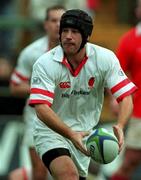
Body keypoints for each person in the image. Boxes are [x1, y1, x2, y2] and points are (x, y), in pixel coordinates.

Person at [29, 9, 137, 180]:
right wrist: (71, 134)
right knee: (68, 175)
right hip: (51, 133)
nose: (68, 36)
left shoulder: (104, 58)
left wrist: (121, 125)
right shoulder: (44, 63)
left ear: (86, 36)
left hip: (86, 135)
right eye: (64, 31)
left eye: (74, 32)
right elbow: (41, 108)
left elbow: (126, 97)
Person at [9, 5, 66, 180]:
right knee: (40, 172)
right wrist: (43, 89)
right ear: (45, 24)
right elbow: (15, 87)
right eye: (53, 20)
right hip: (36, 119)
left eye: (62, 21)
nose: (58, 25)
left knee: (68, 173)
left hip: (68, 117)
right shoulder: (31, 53)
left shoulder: (79, 51)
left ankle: (18, 176)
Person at [110, 0, 141, 179]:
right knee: (130, 161)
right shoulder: (129, 39)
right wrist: (115, 98)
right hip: (139, 111)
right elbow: (115, 74)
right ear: (137, 12)